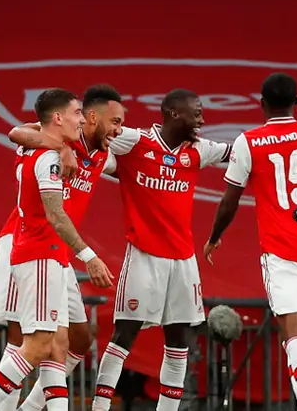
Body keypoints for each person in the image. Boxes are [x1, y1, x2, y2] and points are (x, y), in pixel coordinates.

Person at [203, 72, 297, 411]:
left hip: (282, 249)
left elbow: (230, 200)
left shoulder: (249, 141)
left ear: (262, 104)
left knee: (294, 334)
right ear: (296, 102)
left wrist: (214, 237)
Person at [0, 88, 114, 411]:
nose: (119, 129)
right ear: (91, 118)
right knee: (28, 341)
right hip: (29, 244)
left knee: (66, 341)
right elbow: (17, 132)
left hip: (54, 250)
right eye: (115, 121)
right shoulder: (47, 149)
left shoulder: (96, 152)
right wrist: (60, 147)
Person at [91, 89, 231, 411]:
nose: (202, 120)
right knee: (124, 336)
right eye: (196, 113)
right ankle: (99, 408)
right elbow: (92, 135)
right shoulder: (135, 141)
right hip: (144, 256)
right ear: (174, 113)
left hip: (183, 261)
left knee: (179, 343)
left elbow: (240, 151)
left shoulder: (199, 150)